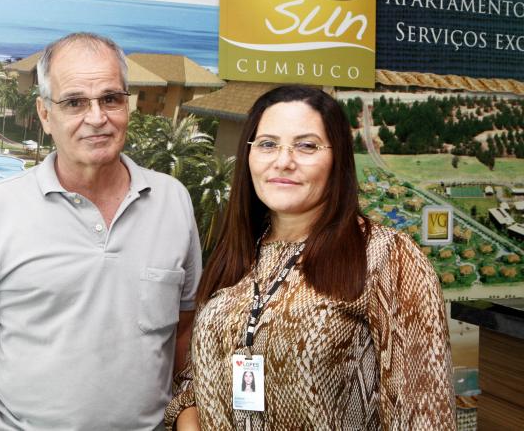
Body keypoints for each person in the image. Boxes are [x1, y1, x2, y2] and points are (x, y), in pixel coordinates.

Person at [0, 32, 202, 430]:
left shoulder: (173, 201)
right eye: (75, 102)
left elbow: (184, 329)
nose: (97, 118)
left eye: (110, 99)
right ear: (45, 114)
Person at [166, 85, 455, 430]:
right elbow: (194, 382)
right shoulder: (236, 253)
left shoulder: (386, 256)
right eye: (268, 144)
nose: (283, 161)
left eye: (306, 146)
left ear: (337, 159)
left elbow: (423, 415)